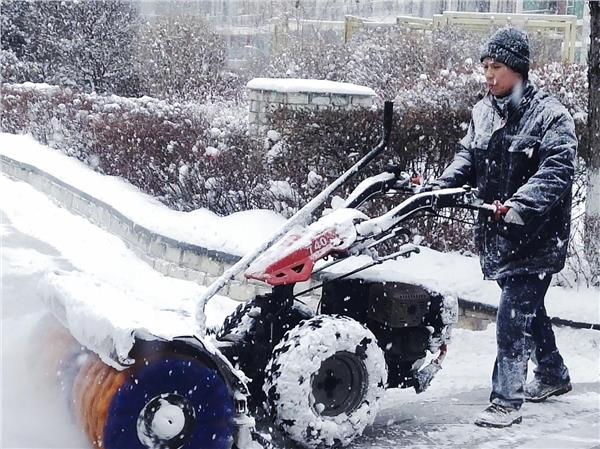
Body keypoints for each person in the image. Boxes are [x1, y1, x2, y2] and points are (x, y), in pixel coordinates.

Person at [425, 27, 577, 428]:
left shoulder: (550, 115)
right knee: (528, 310)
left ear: (519, 69)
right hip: (499, 238)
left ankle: (506, 400)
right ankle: (553, 373)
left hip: (537, 237)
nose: (490, 76)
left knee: (513, 319)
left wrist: (520, 205)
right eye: (485, 68)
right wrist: (443, 186)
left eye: (498, 67)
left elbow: (557, 170)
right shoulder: (483, 112)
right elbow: (467, 158)